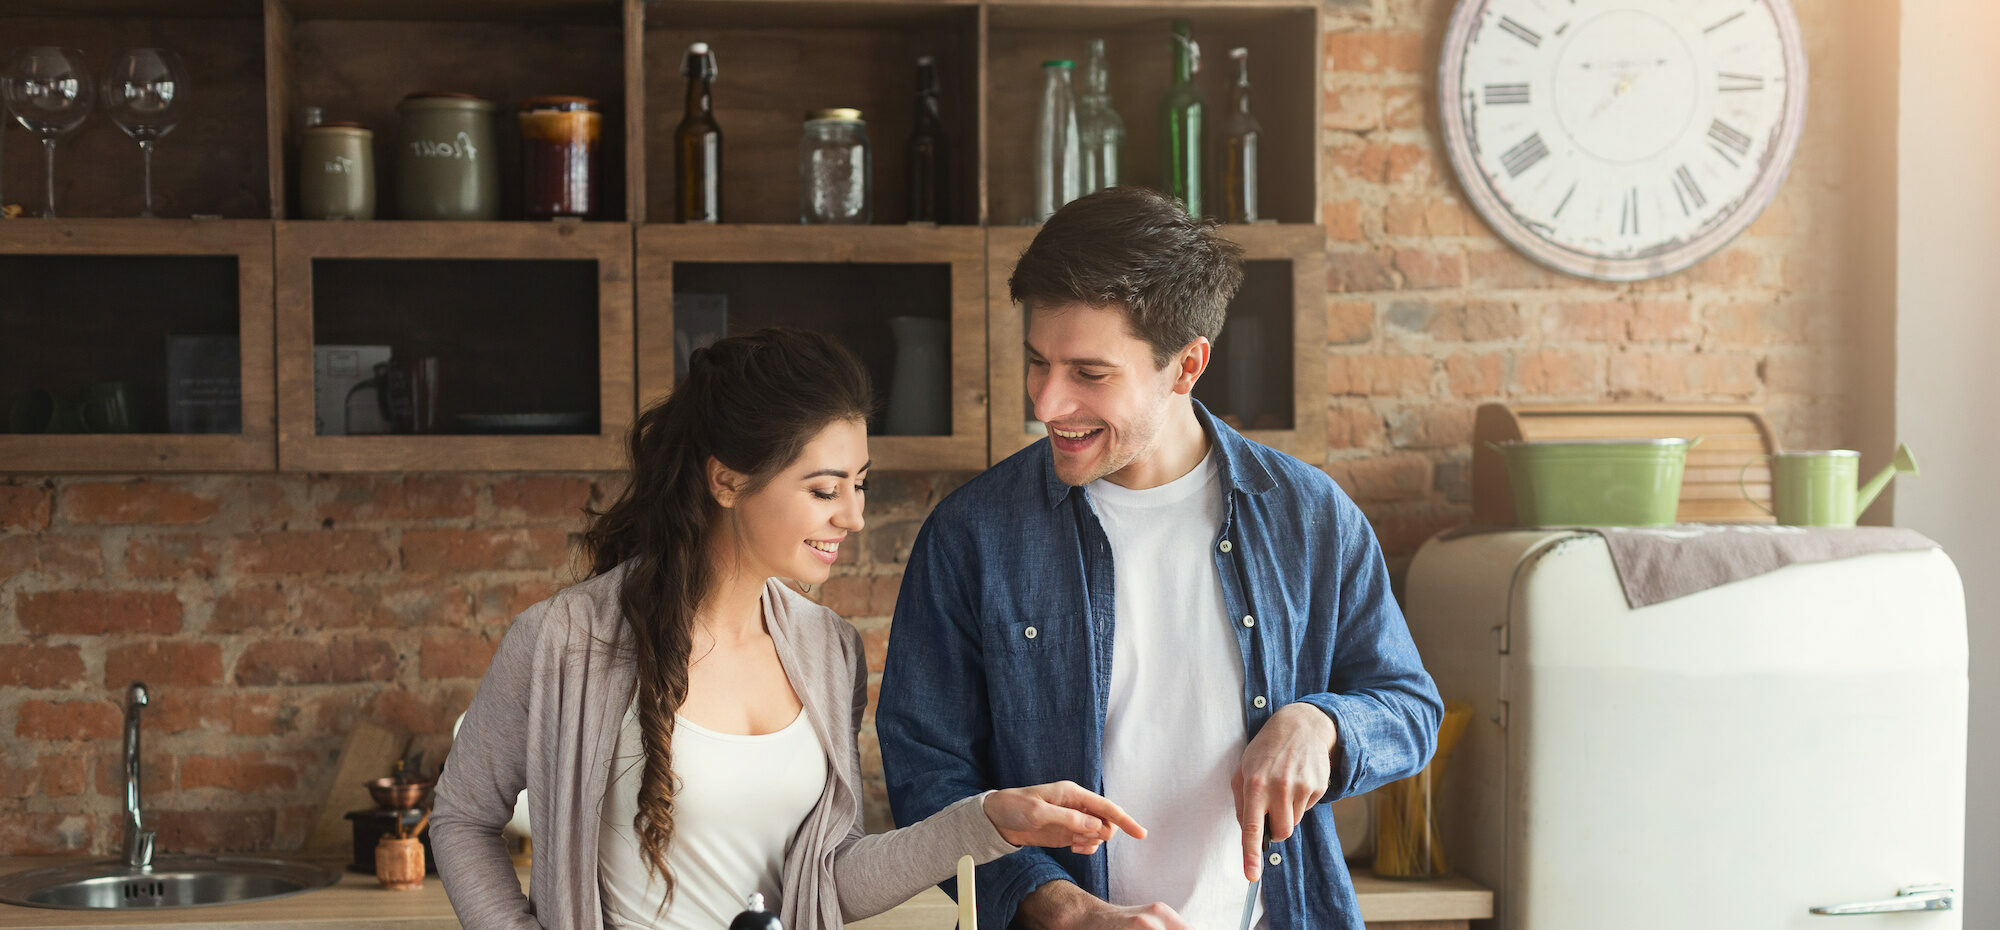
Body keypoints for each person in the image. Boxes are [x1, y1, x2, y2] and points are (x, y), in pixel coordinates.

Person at [432, 328, 1146, 930]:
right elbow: (462, 820)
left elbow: (829, 880)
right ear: (727, 481)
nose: (854, 516)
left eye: (859, 484)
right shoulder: (565, 642)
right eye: (824, 489)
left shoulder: (827, 652)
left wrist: (989, 819)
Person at [877, 188, 1443, 930]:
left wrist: (1322, 724)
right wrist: (1062, 909)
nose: (1046, 403)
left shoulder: (1309, 515)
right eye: (1037, 361)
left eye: (1089, 373)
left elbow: (1409, 707)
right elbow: (928, 775)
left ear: (1186, 365)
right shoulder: (970, 535)